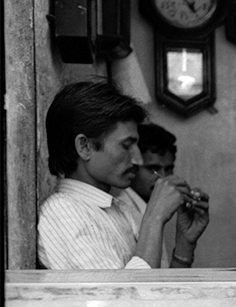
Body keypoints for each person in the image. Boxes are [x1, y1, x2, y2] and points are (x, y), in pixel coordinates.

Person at [37, 81, 203, 269]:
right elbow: (123, 296)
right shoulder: (63, 213)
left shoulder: (118, 210)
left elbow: (156, 292)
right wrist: (155, 216)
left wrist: (184, 244)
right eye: (126, 145)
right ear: (84, 146)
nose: (138, 160)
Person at [112, 123, 210, 268]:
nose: (163, 178)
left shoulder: (146, 208)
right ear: (133, 167)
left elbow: (162, 286)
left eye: (168, 169)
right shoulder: (121, 210)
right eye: (153, 169)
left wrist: (185, 243)